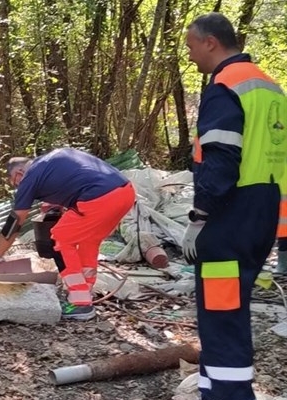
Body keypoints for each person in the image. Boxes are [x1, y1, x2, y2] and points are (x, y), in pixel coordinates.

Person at [182, 13, 287, 400]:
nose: (190, 55)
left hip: (230, 216)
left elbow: (222, 158)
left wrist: (199, 217)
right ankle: (214, 391)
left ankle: (230, 394)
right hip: (263, 213)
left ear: (210, 42)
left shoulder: (225, 85)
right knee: (228, 309)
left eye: (191, 46)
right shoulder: (269, 87)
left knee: (222, 317)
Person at [0, 148, 135, 321]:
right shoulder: (54, 159)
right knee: (89, 240)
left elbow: (15, 222)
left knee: (59, 238)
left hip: (98, 197)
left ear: (18, 174)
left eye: (16, 184)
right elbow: (76, 179)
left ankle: (80, 303)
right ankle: (85, 292)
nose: (19, 187)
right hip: (125, 193)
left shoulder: (30, 176)